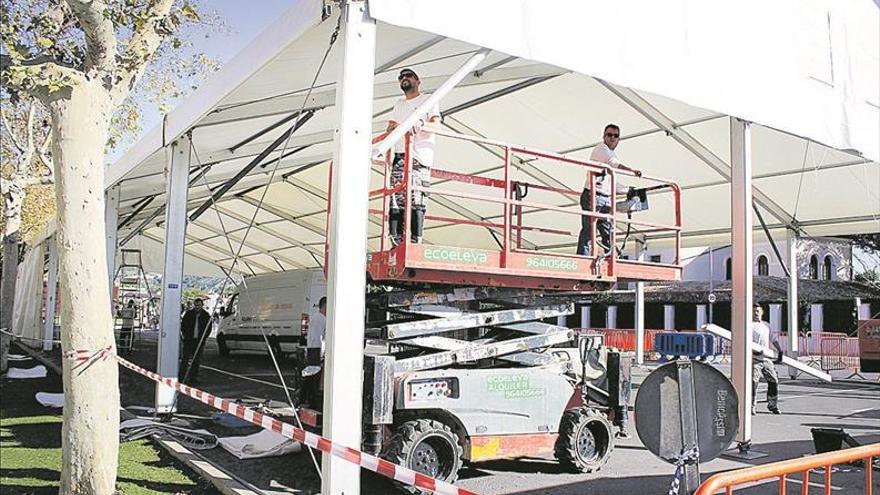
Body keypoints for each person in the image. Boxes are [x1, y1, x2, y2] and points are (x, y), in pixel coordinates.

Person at [385, 68, 442, 246]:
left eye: (408, 76)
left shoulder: (428, 100)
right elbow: (390, 127)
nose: (404, 79)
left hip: (420, 158)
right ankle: (396, 239)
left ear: (418, 81)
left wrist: (421, 126)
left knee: (417, 197)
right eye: (401, 77)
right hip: (401, 155)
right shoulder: (399, 104)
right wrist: (398, 128)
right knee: (396, 196)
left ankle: (415, 239)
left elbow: (437, 127)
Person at [576, 124, 642, 256]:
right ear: (604, 137)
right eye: (609, 135)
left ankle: (610, 259)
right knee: (589, 231)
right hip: (592, 196)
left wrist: (628, 190)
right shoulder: (601, 149)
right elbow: (614, 164)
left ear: (619, 139)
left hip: (604, 198)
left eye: (615, 136)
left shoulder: (610, 153)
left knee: (607, 231)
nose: (612, 138)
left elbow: (612, 183)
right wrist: (631, 171)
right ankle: (583, 258)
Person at [751, 304, 782, 414]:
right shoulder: (748, 325)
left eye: (757, 311)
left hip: (766, 359)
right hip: (754, 359)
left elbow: (773, 339)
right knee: (753, 383)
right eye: (753, 311)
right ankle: (751, 406)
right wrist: (752, 351)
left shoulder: (766, 325)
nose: (755, 313)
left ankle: (772, 404)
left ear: (762, 312)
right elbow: (745, 341)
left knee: (773, 380)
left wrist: (779, 350)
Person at [303, 296, 327, 406]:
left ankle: (308, 399)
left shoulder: (318, 318)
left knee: (312, 377)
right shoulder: (320, 319)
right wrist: (321, 354)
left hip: (314, 349)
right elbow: (318, 338)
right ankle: (310, 400)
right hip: (316, 350)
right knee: (314, 377)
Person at [180, 298, 211, 384]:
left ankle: (193, 377)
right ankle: (182, 376)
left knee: (196, 360)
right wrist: (185, 335)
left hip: (199, 341)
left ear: (202, 305)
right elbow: (183, 325)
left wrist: (204, 338)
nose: (197, 307)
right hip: (189, 340)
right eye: (196, 305)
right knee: (185, 359)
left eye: (199, 305)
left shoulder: (206, 315)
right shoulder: (189, 314)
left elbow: (208, 328)